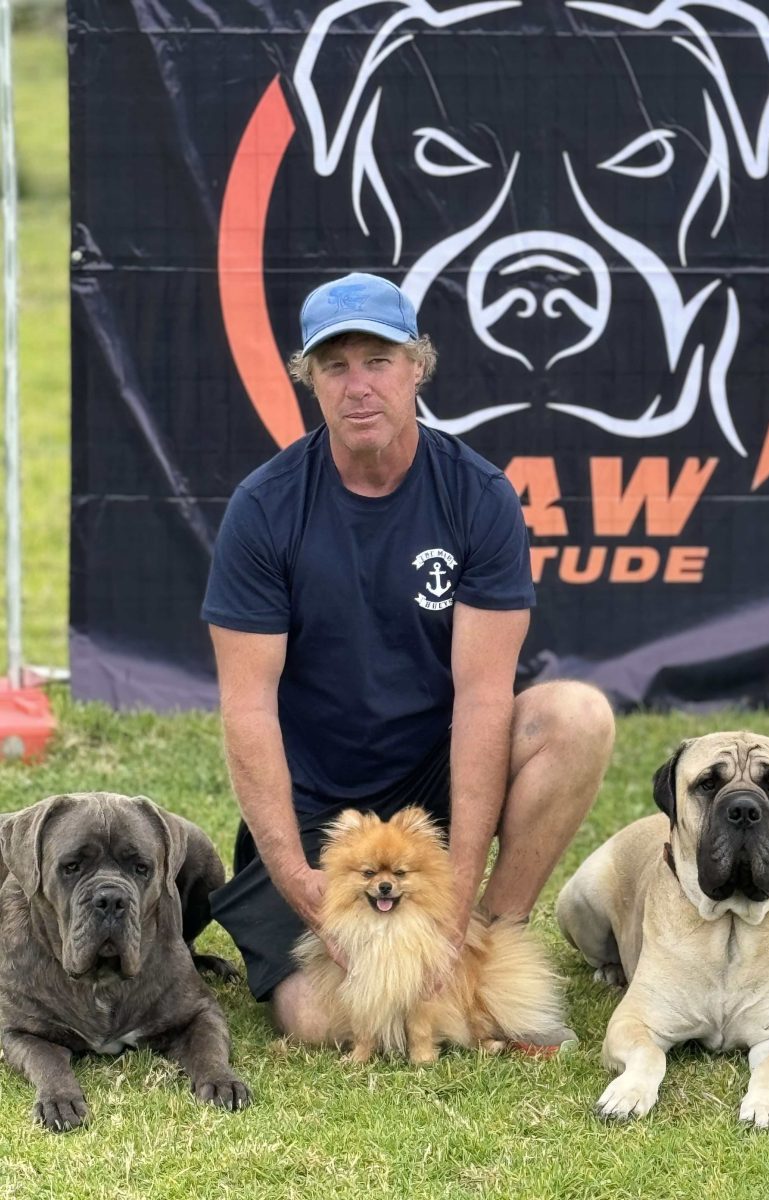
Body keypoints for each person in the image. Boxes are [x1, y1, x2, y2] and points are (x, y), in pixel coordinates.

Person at [202, 271, 615, 1042]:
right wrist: (299, 881)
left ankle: (493, 939)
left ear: (417, 367)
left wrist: (455, 911)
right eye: (335, 365)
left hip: (435, 780)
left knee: (577, 717)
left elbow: (484, 699)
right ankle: (413, 977)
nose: (359, 385)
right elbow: (247, 709)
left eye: (379, 360)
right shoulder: (264, 508)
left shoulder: (478, 496)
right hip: (317, 804)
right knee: (318, 1022)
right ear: (310, 382)